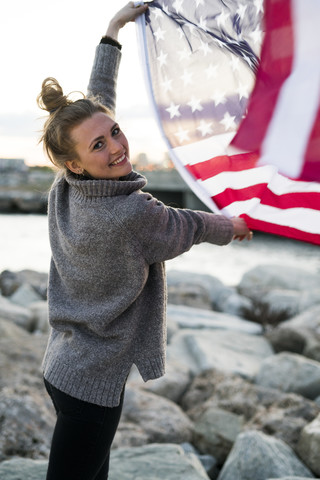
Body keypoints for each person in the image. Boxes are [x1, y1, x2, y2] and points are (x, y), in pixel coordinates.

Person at [37, 2, 253, 479]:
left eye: (114, 132)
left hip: (63, 365)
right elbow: (185, 225)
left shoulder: (67, 185)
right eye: (100, 145)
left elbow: (95, 102)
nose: (116, 146)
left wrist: (112, 32)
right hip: (91, 382)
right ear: (75, 162)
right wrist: (230, 226)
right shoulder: (129, 213)